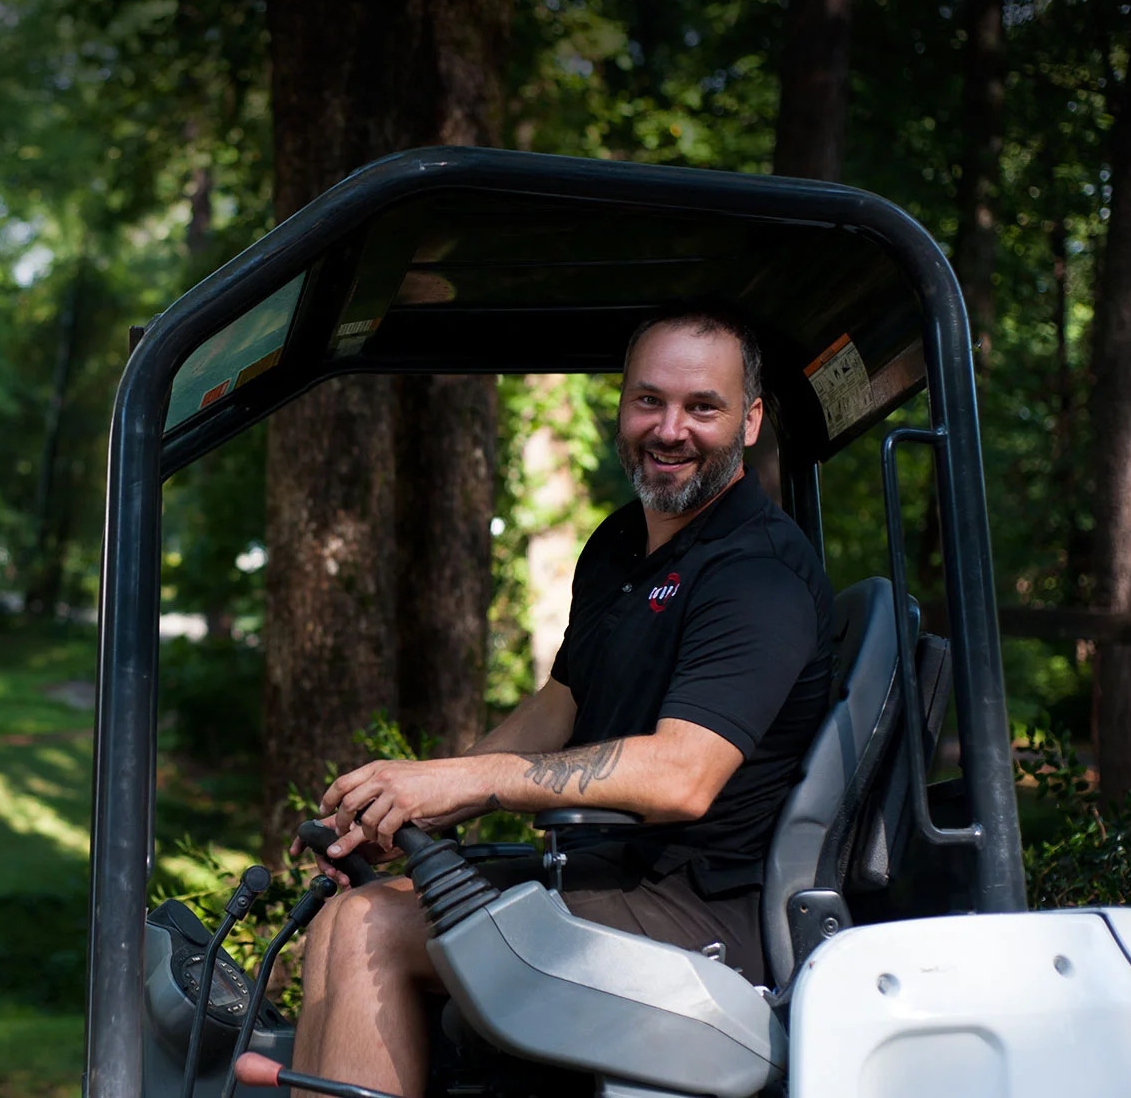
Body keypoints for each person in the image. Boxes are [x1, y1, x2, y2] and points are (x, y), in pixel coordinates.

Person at [289, 309, 835, 1093]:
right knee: (341, 916)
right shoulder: (619, 545)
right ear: (621, 405)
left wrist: (474, 781)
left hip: (704, 920)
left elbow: (683, 777)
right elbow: (561, 704)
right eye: (649, 401)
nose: (670, 429)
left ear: (748, 422)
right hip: (602, 880)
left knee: (373, 928)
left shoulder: (757, 572)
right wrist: (418, 804)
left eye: (702, 407)